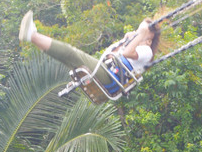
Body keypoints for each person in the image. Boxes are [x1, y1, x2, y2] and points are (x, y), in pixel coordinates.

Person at [18, 11, 161, 94]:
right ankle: (33, 37)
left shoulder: (146, 51)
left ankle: (32, 36)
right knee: (67, 58)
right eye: (137, 30)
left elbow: (127, 54)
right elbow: (112, 52)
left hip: (110, 76)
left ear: (149, 40)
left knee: (71, 53)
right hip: (107, 70)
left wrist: (138, 37)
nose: (137, 33)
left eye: (141, 33)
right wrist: (126, 39)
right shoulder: (134, 42)